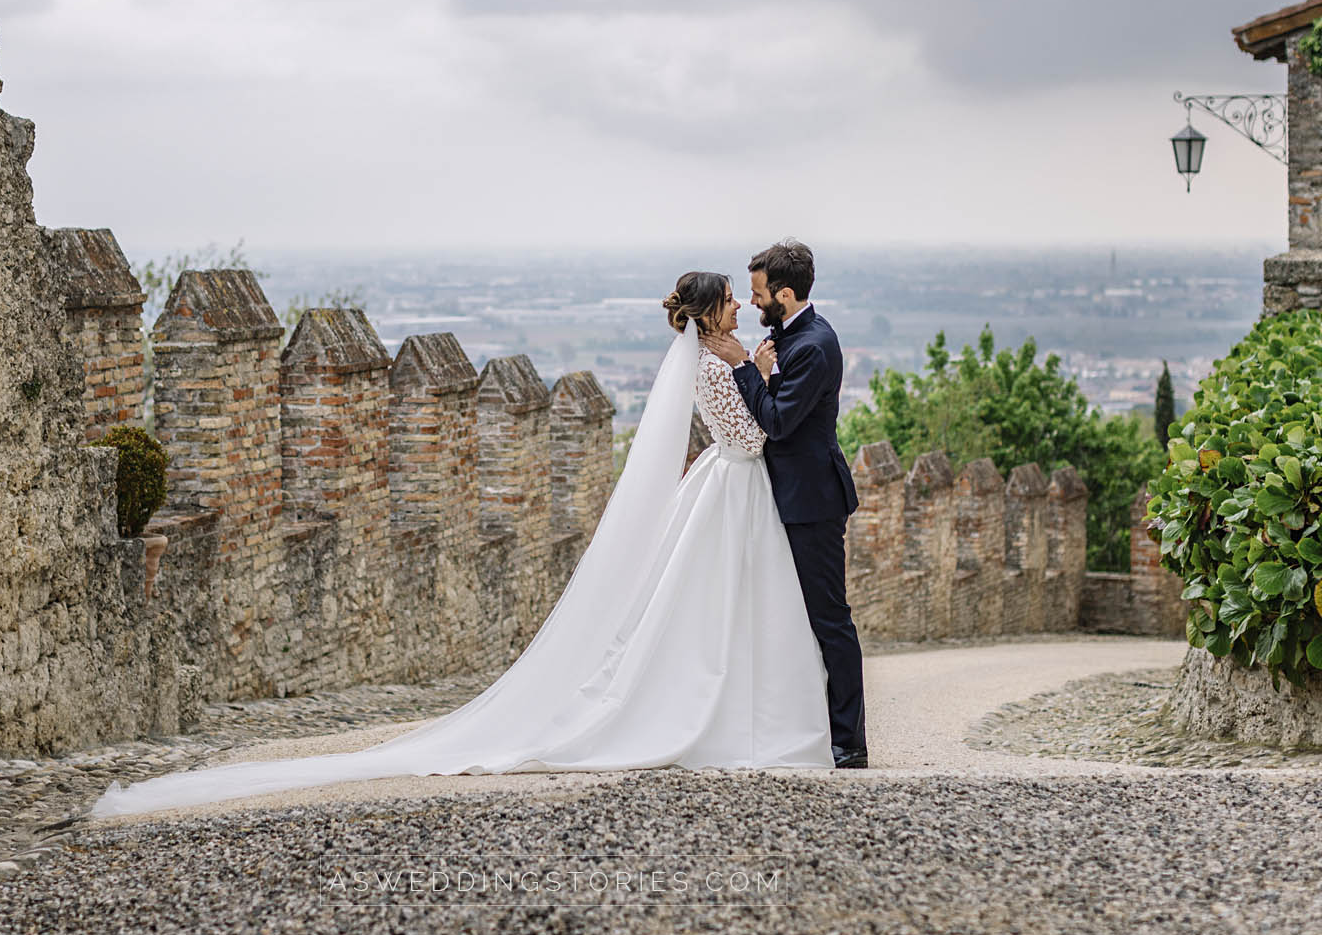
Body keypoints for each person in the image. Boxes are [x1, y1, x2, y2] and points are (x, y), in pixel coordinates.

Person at [90, 270, 834, 819]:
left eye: (746, 294)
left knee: (723, 613)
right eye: (732, 298)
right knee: (706, 613)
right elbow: (746, 434)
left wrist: (750, 368)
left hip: (735, 496)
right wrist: (752, 370)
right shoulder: (716, 361)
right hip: (731, 491)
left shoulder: (721, 352)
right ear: (709, 315)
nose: (743, 302)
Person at [701, 239, 868, 768]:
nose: (752, 304)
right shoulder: (789, 336)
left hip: (812, 501)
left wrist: (747, 368)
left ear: (785, 293)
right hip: (786, 498)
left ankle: (849, 742)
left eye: (758, 293)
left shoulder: (813, 346)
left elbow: (775, 423)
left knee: (829, 619)